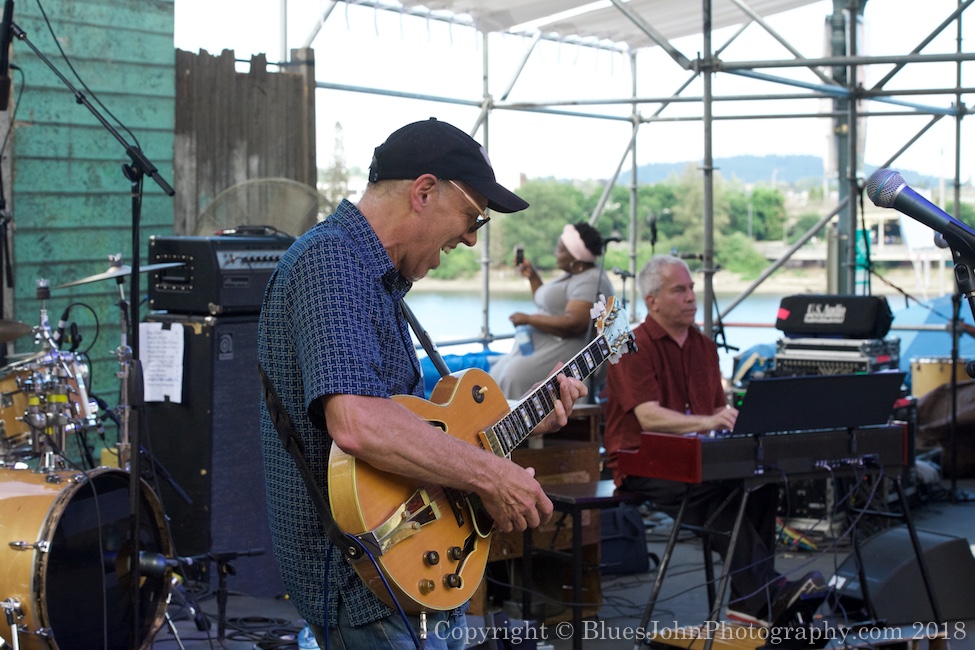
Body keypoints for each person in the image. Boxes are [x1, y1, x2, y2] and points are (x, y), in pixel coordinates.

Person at [257, 117, 588, 650]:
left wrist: (523, 418)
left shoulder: (375, 278)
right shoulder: (331, 261)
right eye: (472, 216)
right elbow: (359, 423)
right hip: (365, 582)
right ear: (425, 192)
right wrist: (491, 477)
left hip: (409, 577)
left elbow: (420, 430)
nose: (469, 237)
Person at [602, 254, 825, 626]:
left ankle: (750, 606)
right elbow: (648, 416)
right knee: (721, 498)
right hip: (643, 463)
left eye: (691, 288)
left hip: (696, 460)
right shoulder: (629, 344)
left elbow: (718, 417)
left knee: (762, 486)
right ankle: (766, 595)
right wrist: (707, 421)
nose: (691, 297)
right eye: (679, 290)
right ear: (652, 300)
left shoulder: (704, 347)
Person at [489, 222, 614, 400]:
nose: (556, 254)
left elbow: (574, 324)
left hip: (565, 354)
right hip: (539, 349)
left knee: (513, 376)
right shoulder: (574, 275)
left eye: (561, 250)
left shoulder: (591, 280)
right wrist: (532, 276)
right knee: (497, 374)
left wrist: (529, 320)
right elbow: (547, 305)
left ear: (575, 255)